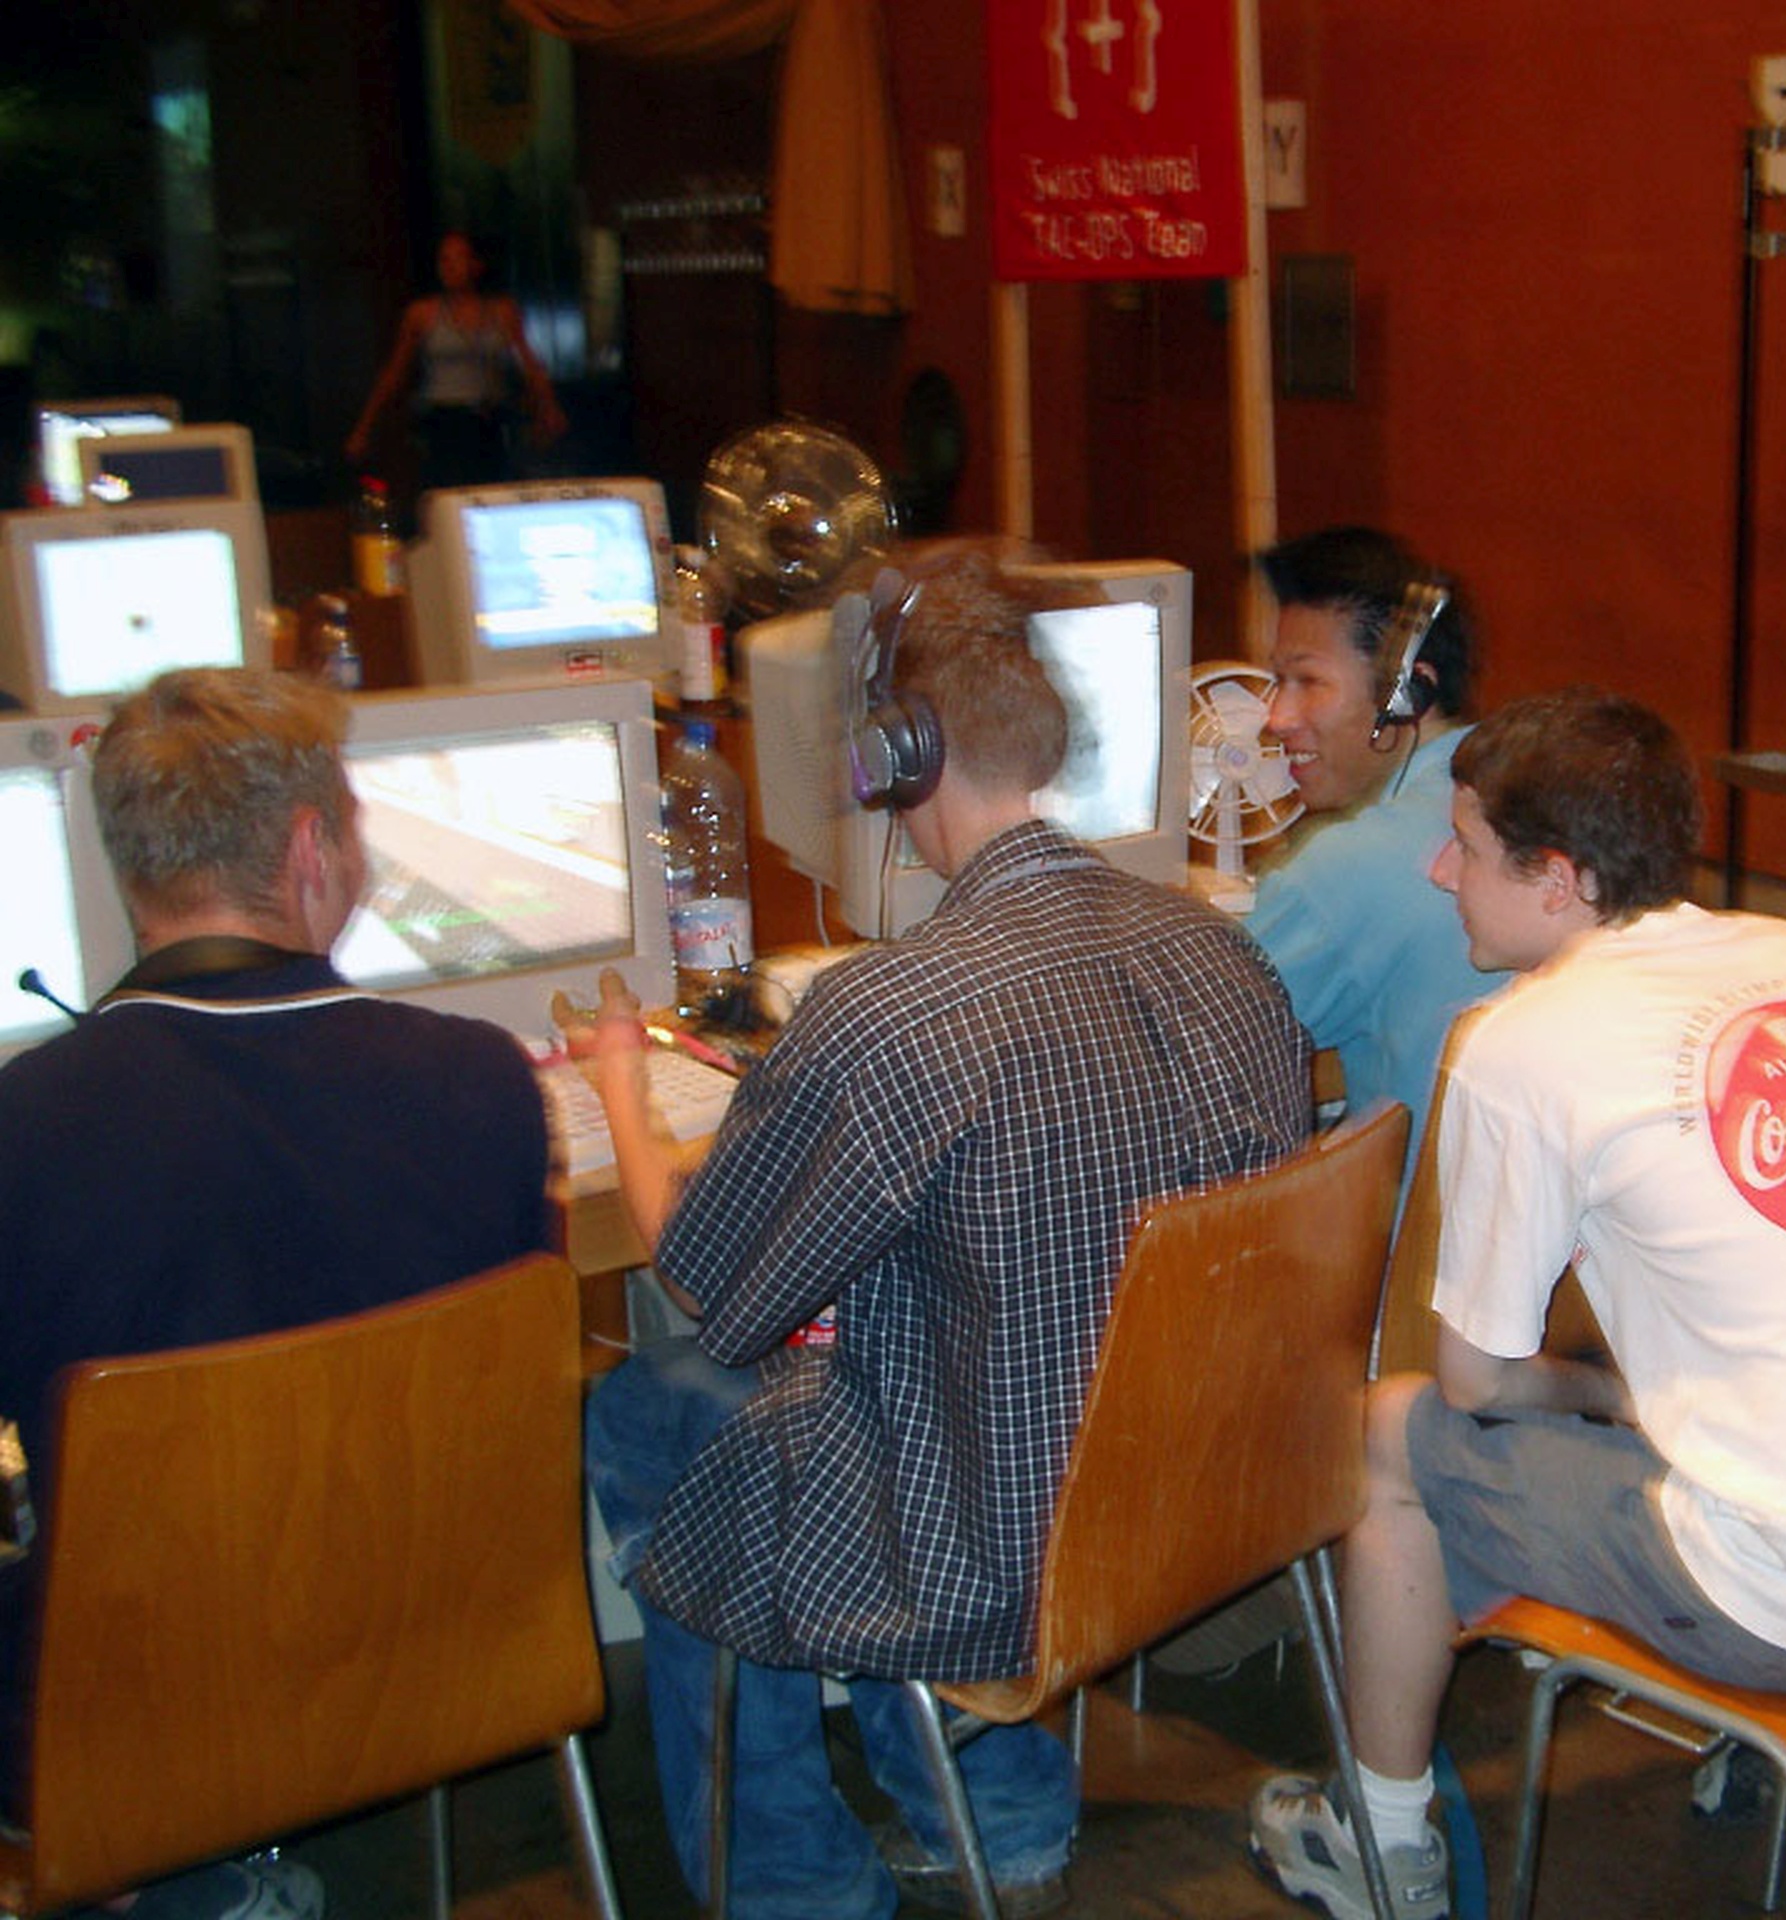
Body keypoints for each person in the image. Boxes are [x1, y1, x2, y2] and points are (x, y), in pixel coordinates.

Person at [573, 550, 1309, 1920]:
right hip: (1212, 1502)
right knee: (928, 1366)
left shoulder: (892, 1011)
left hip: (998, 1554)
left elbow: (709, 1282)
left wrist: (622, 1088)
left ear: (895, 758)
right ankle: (1001, 1817)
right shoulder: (1222, 954)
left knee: (654, 1404)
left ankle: (792, 1885)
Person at [1245, 688, 1786, 1920]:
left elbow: (1475, 1384)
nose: (1441, 872)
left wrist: (1608, 1395)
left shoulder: (1520, 1040)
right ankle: (1720, 1738)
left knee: (1392, 1434)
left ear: (1557, 881)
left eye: (1465, 846)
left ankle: (1379, 1845)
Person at [0, 668, 549, 1918]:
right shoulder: (482, 1080)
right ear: (312, 851)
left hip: (139, 1711)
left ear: (128, 869)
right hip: (455, 1656)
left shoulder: (28, 1126)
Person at [1243, 526, 1499, 1195]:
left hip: (1419, 1250)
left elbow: (1188, 1040)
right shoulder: (1537, 797)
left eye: (1307, 681)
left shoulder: (1345, 868)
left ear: (1407, 694)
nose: (1276, 716)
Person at [345, 229, 566, 490]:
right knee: (446, 488)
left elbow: (528, 364)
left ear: (475, 265)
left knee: (490, 488)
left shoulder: (502, 311)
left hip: (489, 418)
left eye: (457, 259)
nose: (449, 267)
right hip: (444, 421)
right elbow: (395, 372)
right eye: (443, 260)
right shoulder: (422, 313)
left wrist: (548, 407)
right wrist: (364, 428)